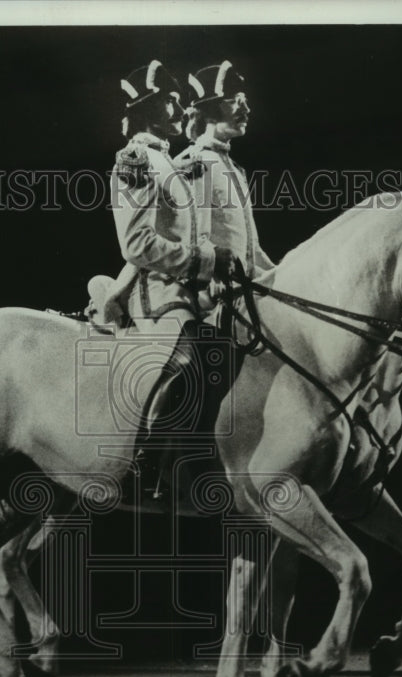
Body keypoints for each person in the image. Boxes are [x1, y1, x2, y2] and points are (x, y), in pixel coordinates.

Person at [104, 60, 237, 498]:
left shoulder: (168, 162)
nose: (181, 110)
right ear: (147, 109)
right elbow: (137, 245)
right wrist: (206, 261)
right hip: (155, 289)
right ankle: (141, 464)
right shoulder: (137, 160)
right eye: (170, 102)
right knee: (183, 359)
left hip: (190, 289)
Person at [178, 60, 275, 292]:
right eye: (235, 101)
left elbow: (253, 251)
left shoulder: (236, 170)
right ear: (209, 110)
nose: (246, 109)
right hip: (215, 293)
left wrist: (283, 274)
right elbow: (195, 240)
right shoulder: (196, 162)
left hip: (245, 290)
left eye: (245, 101)